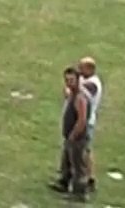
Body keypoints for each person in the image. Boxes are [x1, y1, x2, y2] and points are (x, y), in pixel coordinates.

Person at [53, 66, 92, 200]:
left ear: (78, 79)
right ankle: (64, 182)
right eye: (67, 80)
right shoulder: (73, 94)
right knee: (67, 162)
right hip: (70, 136)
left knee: (78, 166)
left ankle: (80, 193)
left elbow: (82, 120)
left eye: (71, 80)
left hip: (77, 138)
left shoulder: (80, 97)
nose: (69, 83)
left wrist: (74, 135)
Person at [79, 57, 103, 193]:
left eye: (82, 67)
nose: (79, 70)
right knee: (85, 150)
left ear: (90, 69)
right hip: (86, 120)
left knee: (86, 150)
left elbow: (73, 91)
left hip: (87, 121)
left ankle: (89, 177)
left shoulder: (92, 84)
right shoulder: (87, 80)